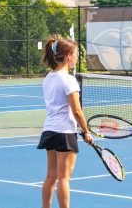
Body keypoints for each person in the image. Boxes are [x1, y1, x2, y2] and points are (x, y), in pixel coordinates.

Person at [37, 37, 93, 208]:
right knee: (64, 178)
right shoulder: (68, 80)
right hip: (65, 133)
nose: (76, 57)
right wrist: (86, 131)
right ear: (68, 56)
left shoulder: (48, 78)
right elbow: (77, 110)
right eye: (75, 54)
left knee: (50, 177)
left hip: (49, 131)